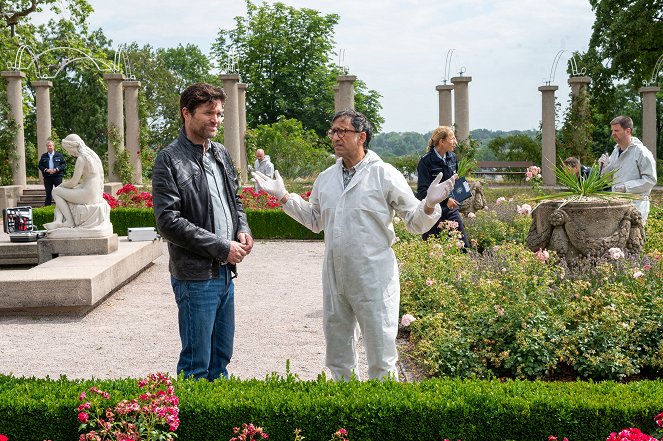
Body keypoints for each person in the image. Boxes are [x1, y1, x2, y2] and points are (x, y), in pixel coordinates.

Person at [253, 109, 456, 381]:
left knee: (381, 358)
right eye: (332, 132)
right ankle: (345, 419)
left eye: (341, 131)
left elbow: (415, 222)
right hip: (336, 276)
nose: (334, 137)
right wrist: (284, 196)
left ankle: (383, 417)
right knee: (338, 358)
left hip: (374, 277)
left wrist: (430, 204)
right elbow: (315, 220)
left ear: (361, 136)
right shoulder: (326, 178)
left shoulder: (384, 174)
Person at [152, 82, 254, 381]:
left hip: (225, 274)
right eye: (209, 113)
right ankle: (186, 424)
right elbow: (168, 222)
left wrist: (242, 229)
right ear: (187, 113)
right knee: (197, 364)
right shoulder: (169, 159)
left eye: (220, 114)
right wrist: (222, 247)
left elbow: (234, 200)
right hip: (195, 277)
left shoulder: (220, 153)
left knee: (220, 360)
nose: (216, 120)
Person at [415, 126, 470, 248]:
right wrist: (446, 201)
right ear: (442, 141)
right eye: (452, 138)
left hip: (451, 211)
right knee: (432, 251)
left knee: (463, 247)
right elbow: (422, 192)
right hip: (433, 213)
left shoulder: (452, 158)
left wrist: (462, 190)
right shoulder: (425, 161)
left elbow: (453, 182)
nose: (455, 141)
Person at [599, 115, 657, 223]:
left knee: (634, 239)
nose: (613, 134)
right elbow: (607, 180)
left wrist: (626, 187)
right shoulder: (615, 152)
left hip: (636, 207)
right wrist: (604, 167)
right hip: (617, 206)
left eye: (616, 130)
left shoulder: (641, 152)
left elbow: (650, 180)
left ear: (628, 131)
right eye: (612, 131)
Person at [43, 134, 106, 231]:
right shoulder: (93, 156)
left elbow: (73, 182)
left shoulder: (81, 159)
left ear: (72, 147)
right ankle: (59, 220)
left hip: (88, 194)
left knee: (56, 192)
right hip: (94, 192)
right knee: (62, 193)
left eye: (68, 150)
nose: (68, 153)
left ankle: (69, 221)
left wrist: (61, 185)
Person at [38, 140, 67, 206]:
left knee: (59, 193)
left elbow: (64, 165)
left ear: (53, 146)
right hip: (47, 177)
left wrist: (57, 169)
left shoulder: (59, 155)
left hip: (57, 176)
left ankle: (60, 207)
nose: (49, 147)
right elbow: (40, 166)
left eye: (50, 146)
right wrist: (46, 170)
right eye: (48, 146)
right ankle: (47, 208)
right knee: (48, 193)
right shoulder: (44, 156)